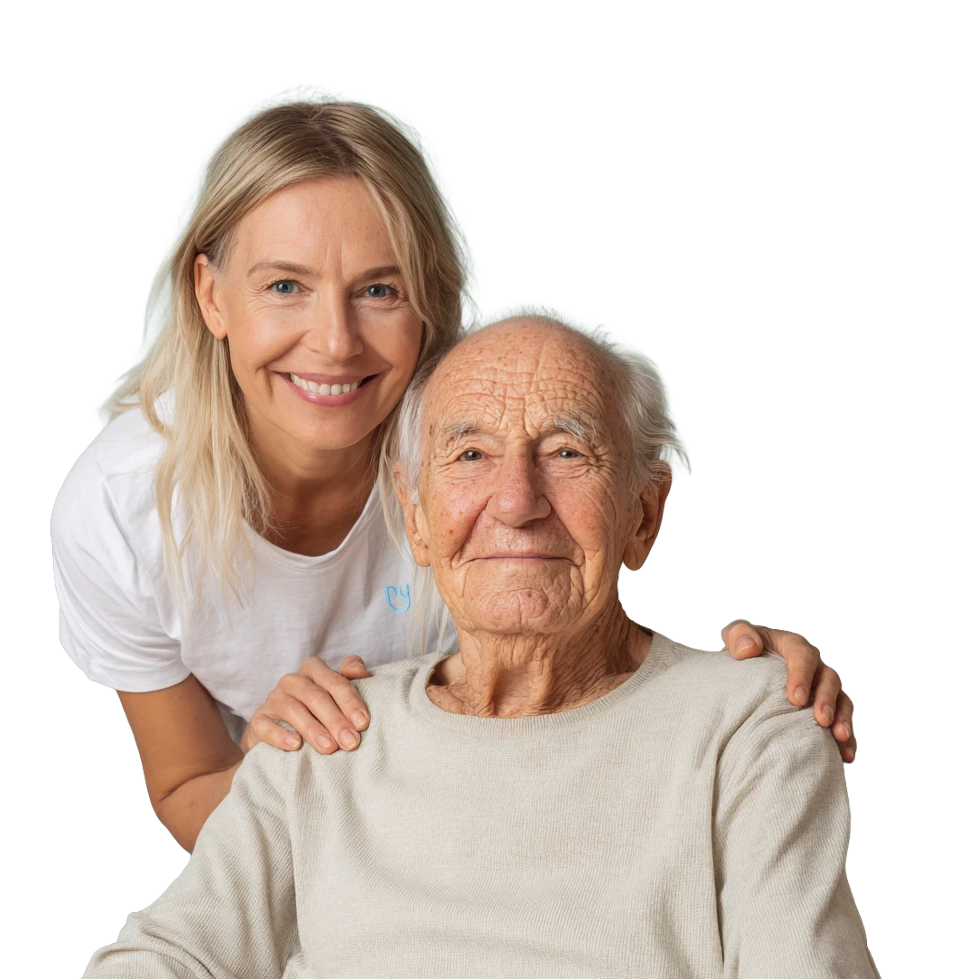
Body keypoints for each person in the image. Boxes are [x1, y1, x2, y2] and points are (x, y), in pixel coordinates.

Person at [50, 100, 857, 855]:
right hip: (323, 854)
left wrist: (747, 696)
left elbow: (580, 673)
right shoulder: (121, 516)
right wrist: (268, 768)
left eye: (378, 290)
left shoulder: (485, 463)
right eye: (285, 286)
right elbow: (191, 786)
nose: (333, 343)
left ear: (429, 304)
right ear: (211, 296)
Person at [52, 315, 895, 979]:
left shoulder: (748, 725)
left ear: (645, 512)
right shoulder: (323, 737)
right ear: (416, 524)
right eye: (469, 457)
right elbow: (173, 971)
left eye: (566, 452)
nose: (518, 500)